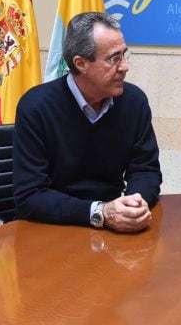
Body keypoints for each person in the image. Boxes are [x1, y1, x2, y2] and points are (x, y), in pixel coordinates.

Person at [13, 12, 161, 232]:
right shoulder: (36, 107)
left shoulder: (133, 101)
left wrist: (133, 204)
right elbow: (30, 196)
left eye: (124, 55)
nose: (124, 67)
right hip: (52, 229)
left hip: (113, 230)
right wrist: (101, 212)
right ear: (81, 64)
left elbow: (146, 171)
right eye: (114, 58)